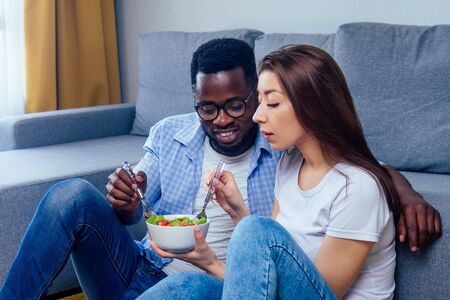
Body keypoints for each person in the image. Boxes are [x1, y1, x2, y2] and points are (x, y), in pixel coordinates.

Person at [0, 39, 440, 299]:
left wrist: (407, 194)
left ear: (251, 96)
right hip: (146, 267)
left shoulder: (287, 156)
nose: (225, 119)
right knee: (71, 196)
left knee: (233, 248)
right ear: (194, 105)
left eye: (241, 105)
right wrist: (128, 197)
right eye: (207, 109)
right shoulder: (176, 135)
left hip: (220, 288)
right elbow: (134, 204)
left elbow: (363, 168)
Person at [138, 44, 442, 299]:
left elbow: (316, 292)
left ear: (311, 106)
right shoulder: (289, 165)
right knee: (183, 287)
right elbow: (267, 271)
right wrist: (215, 252)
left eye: (271, 103)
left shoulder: (357, 188)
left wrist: (247, 226)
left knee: (253, 229)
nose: (257, 115)